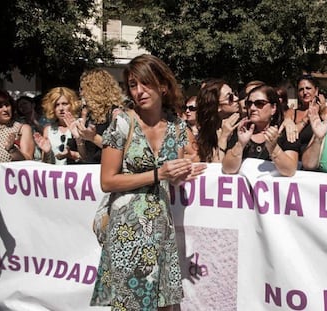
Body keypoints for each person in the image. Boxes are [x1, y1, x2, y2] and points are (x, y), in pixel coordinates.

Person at [90, 54, 206, 310]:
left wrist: (181, 173)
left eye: (146, 83)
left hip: (161, 227)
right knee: (132, 305)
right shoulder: (122, 123)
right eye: (133, 85)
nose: (139, 91)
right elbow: (107, 181)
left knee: (166, 306)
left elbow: (180, 169)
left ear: (163, 85)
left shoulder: (177, 127)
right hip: (127, 229)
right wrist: (159, 175)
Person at [222, 84, 300, 177]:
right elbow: (228, 169)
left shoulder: (286, 131)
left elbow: (289, 171)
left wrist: (274, 148)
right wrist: (240, 144)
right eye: (249, 103)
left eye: (259, 103)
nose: (252, 108)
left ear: (273, 108)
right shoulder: (241, 130)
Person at [74, 68, 125, 163]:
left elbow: (119, 149)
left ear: (95, 89)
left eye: (83, 89)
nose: (81, 93)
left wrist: (93, 138)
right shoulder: (90, 115)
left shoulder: (115, 113)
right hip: (92, 172)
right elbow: (84, 156)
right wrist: (79, 139)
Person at [284, 74, 327, 157]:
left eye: (308, 88)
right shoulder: (292, 112)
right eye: (301, 89)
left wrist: (322, 109)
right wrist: (307, 118)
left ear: (316, 91)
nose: (305, 92)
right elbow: (290, 136)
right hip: (295, 160)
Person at [33, 87, 86, 165]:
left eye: (64, 104)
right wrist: (47, 152)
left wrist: (72, 154)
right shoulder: (48, 129)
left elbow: (87, 157)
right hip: (55, 175)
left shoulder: (81, 125)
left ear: (72, 105)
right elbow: (45, 162)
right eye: (56, 105)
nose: (61, 108)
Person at [196, 79, 241, 162]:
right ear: (217, 107)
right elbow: (215, 166)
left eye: (235, 93)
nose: (236, 98)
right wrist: (223, 137)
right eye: (230, 97)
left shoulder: (243, 125)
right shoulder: (208, 132)